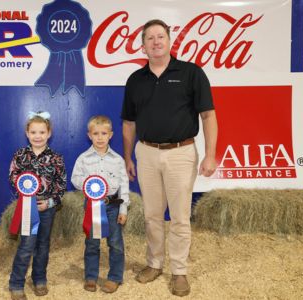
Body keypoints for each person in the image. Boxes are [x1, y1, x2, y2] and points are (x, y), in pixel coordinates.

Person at [121, 19, 218, 297]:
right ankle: (154, 263)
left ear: (170, 41)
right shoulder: (135, 79)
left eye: (160, 36)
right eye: (149, 38)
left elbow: (209, 116)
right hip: (146, 153)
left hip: (181, 152)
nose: (155, 41)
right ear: (143, 46)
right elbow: (128, 123)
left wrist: (210, 155)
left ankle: (178, 270)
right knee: (152, 215)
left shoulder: (191, 73)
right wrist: (128, 157)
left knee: (179, 217)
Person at [8, 111, 66, 300]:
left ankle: (39, 278)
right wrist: (27, 201)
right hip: (26, 209)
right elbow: (13, 177)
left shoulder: (56, 158)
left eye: (42, 132)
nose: (37, 136)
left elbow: (61, 184)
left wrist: (50, 202)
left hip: (47, 209)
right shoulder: (20, 155)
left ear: (49, 133)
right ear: (27, 133)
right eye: (33, 132)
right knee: (26, 245)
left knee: (42, 245)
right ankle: (16, 283)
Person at [71, 115, 130, 294]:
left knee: (115, 243)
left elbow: (124, 185)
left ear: (111, 135)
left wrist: (123, 208)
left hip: (112, 206)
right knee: (92, 243)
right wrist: (89, 185)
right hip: (92, 207)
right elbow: (75, 179)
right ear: (89, 135)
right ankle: (90, 277)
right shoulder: (83, 158)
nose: (100, 137)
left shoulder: (118, 160)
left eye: (104, 133)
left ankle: (115, 277)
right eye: (95, 133)